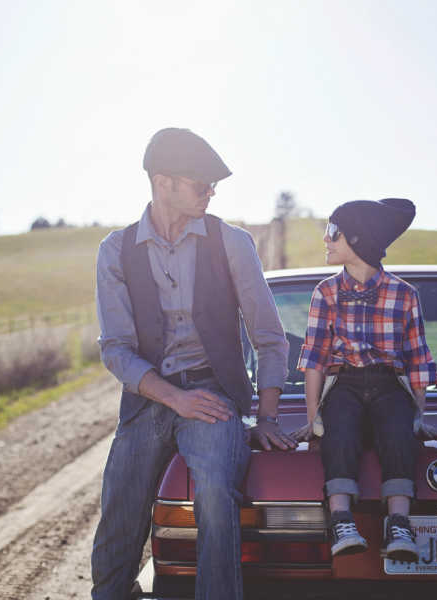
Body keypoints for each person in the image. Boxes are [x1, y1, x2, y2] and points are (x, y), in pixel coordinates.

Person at [91, 127, 294, 600]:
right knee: (119, 512)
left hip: (215, 396)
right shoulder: (114, 251)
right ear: (164, 184)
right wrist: (173, 398)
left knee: (215, 496)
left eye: (213, 186)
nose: (211, 193)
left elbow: (269, 338)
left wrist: (264, 417)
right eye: (201, 184)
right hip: (149, 399)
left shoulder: (232, 242)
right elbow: (115, 348)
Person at [294, 198, 437, 561]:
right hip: (343, 383)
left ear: (357, 241)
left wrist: (418, 418)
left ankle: (399, 525)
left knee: (397, 432)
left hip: (389, 385)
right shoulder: (326, 293)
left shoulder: (404, 294)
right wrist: (313, 417)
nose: (326, 240)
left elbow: (416, 361)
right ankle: (342, 520)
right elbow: (315, 359)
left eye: (333, 232)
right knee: (338, 429)